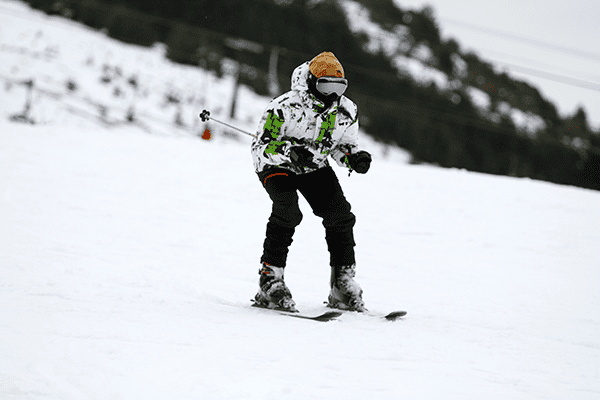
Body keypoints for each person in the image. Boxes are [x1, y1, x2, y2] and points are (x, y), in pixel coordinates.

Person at [251, 51, 372, 313]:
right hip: (276, 165)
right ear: (311, 82)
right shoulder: (283, 106)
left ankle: (342, 283)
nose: (331, 95)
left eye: (338, 87)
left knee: (340, 215)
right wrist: (287, 151)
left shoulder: (346, 111)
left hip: (313, 165)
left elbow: (341, 146)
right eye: (325, 86)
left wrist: (352, 158)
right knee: (288, 211)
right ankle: (270, 280)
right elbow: (260, 146)